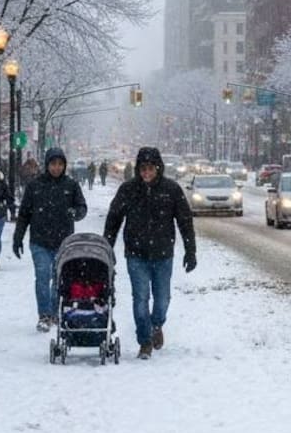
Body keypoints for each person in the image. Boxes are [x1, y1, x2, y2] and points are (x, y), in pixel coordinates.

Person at [104, 147, 196, 360]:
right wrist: (107, 247)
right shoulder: (128, 189)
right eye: (143, 169)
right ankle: (144, 341)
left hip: (163, 254)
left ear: (158, 168)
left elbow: (185, 221)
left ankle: (157, 325)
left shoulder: (171, 190)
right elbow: (114, 219)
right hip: (136, 254)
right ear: (138, 169)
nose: (146, 173)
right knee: (140, 298)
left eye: (150, 168)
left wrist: (190, 251)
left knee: (162, 299)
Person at [12, 147, 87, 332]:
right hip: (40, 241)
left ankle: (54, 312)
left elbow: (82, 207)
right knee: (42, 276)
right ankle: (44, 314)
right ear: (47, 165)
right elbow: (24, 214)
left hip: (63, 242)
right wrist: (18, 237)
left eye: (60, 164)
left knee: (58, 278)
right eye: (53, 164)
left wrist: (75, 213)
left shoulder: (71, 185)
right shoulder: (35, 186)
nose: (56, 168)